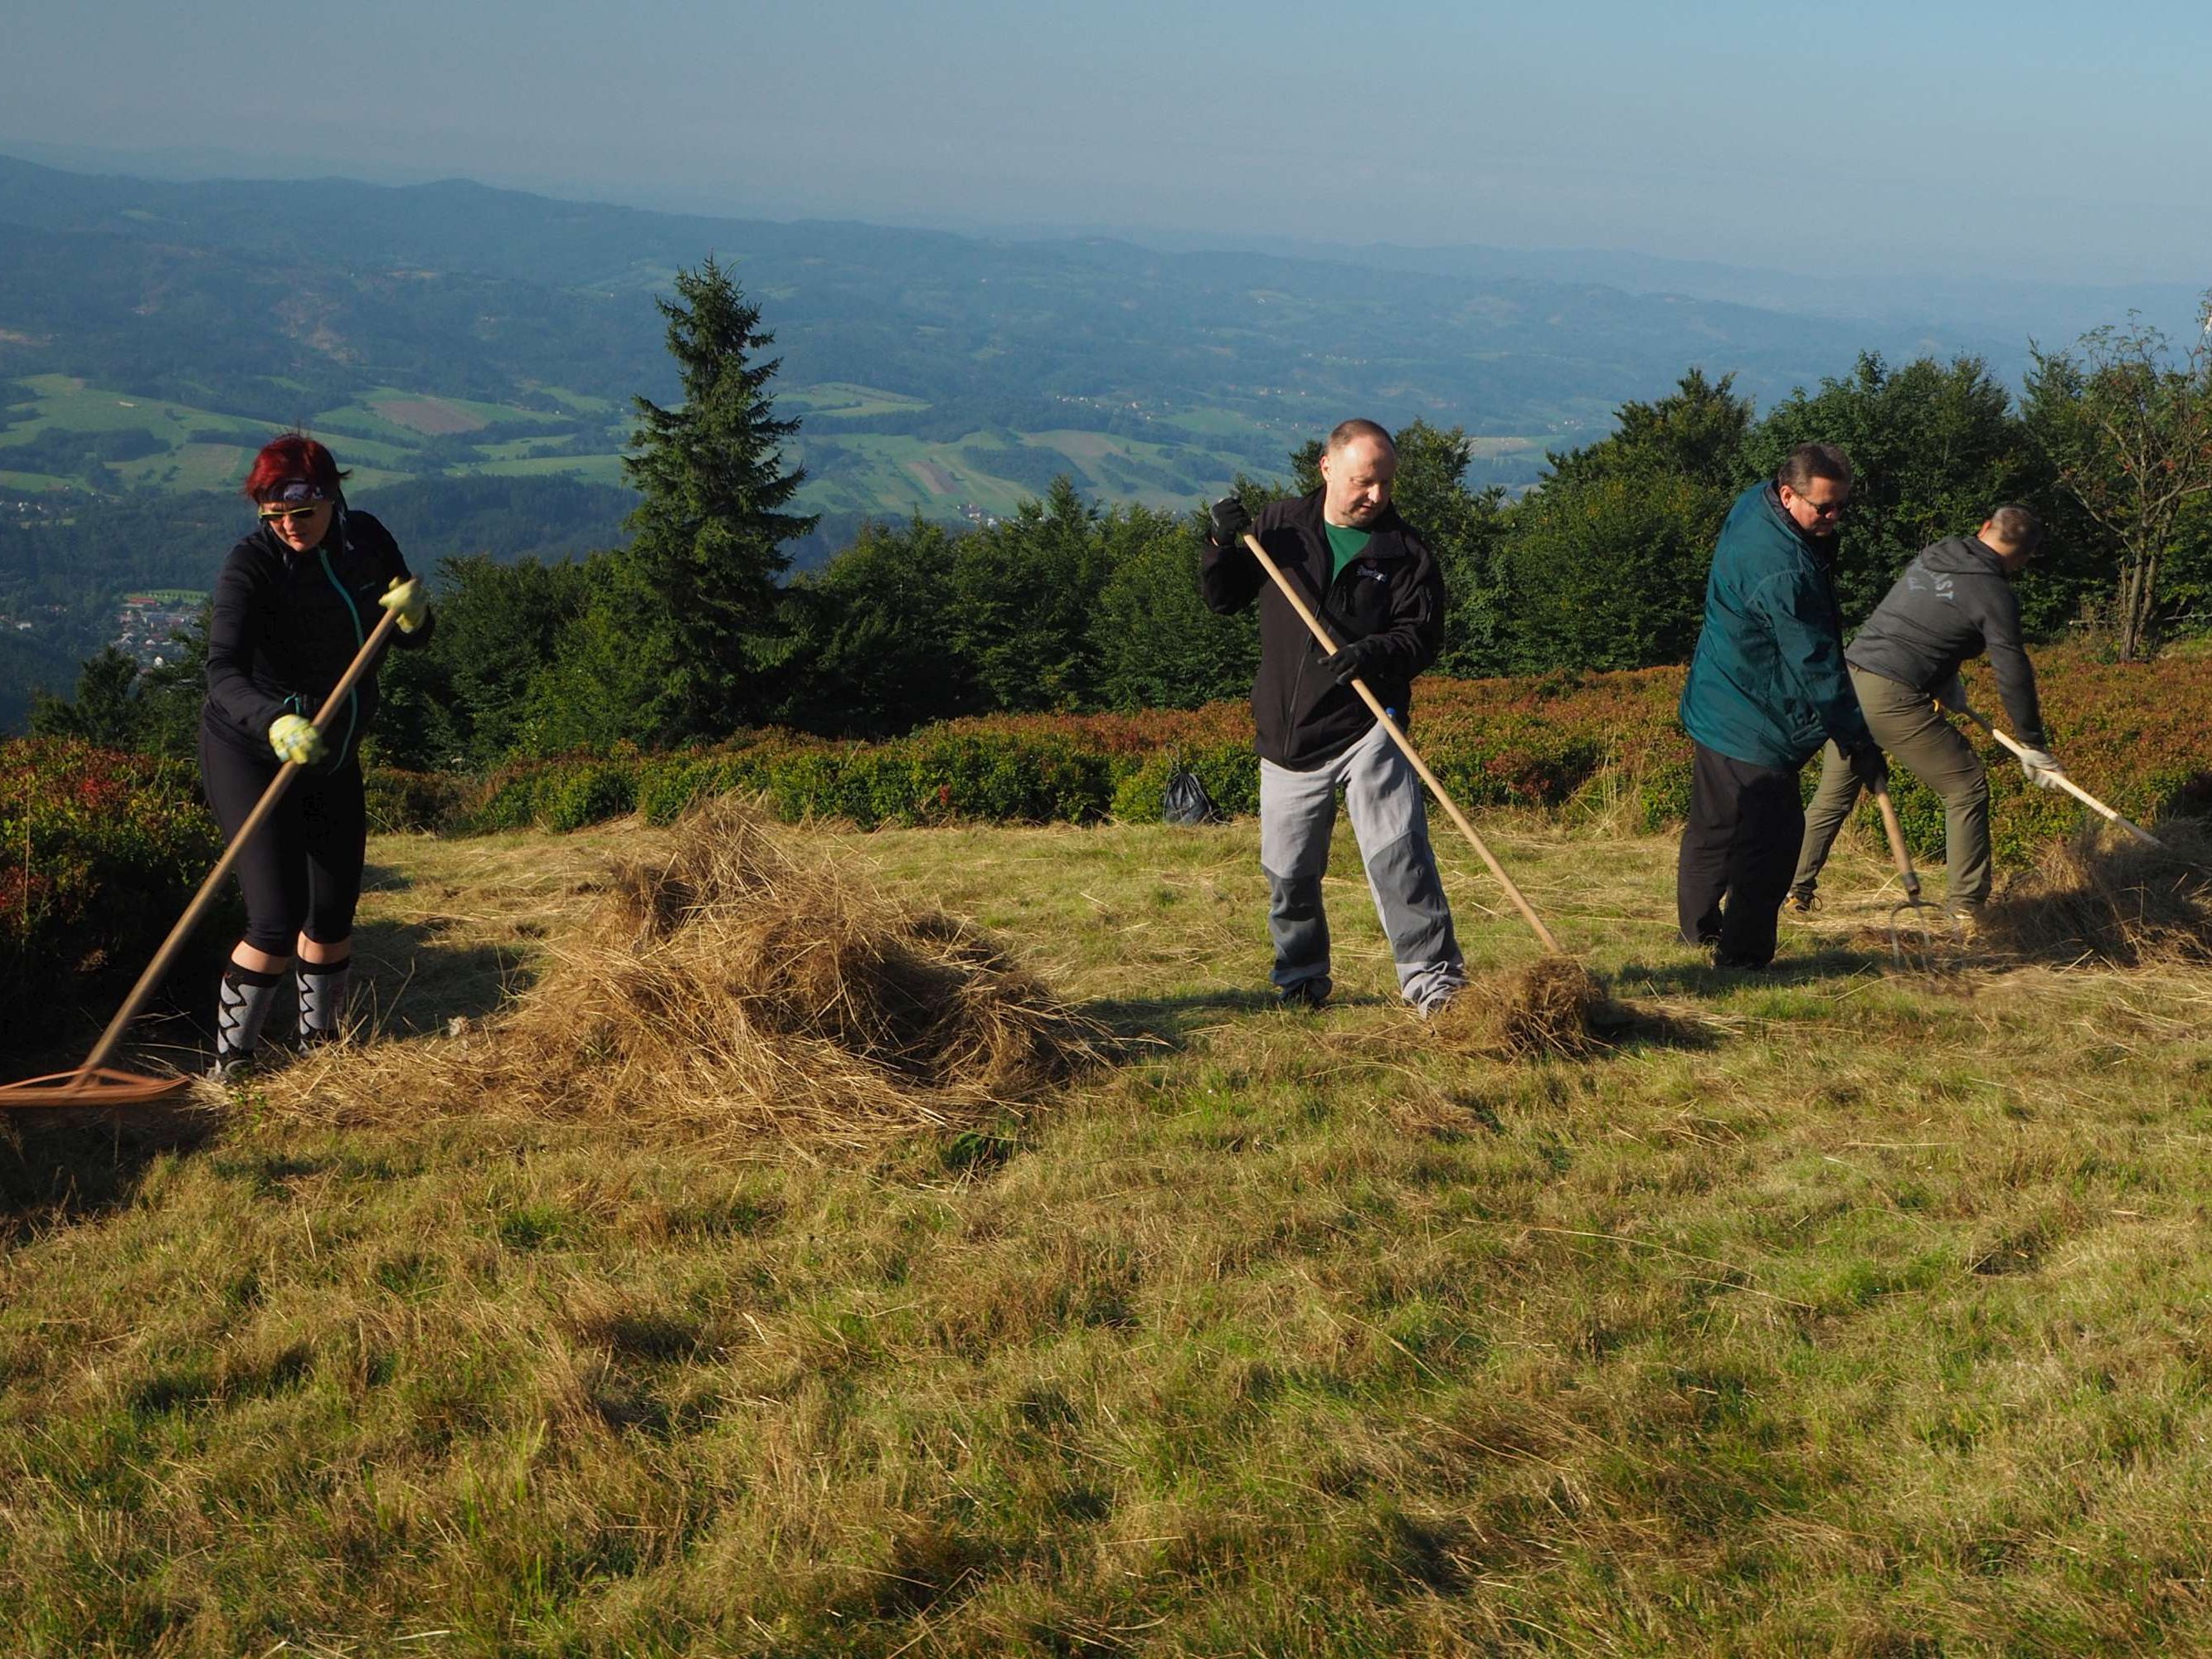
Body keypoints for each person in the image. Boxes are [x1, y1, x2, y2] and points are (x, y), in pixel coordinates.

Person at [1200, 419, 1466, 1014]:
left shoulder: (1405, 553)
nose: (1375, 496)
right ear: (1326, 469)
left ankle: (1434, 987)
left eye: (1385, 483)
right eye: (1362, 482)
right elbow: (1223, 599)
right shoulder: (1279, 527)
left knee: (1400, 862)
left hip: (1370, 726)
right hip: (1288, 735)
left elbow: (1421, 638)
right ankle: (1300, 980)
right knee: (1289, 877)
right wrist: (1218, 545)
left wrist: (1369, 654)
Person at [201, 434, 433, 1077]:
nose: (289, 528)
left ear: (333, 497)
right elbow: (221, 670)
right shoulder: (250, 566)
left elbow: (411, 634)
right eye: (274, 516)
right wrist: (274, 721)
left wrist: (415, 616)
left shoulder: (368, 542)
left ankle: (320, 1050)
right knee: (274, 919)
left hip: (333, 751)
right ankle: (232, 1069)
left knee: (331, 913)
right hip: (250, 749)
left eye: (302, 513)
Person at [1787, 505, 2065, 931]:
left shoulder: (1942, 551)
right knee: (1965, 785)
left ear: (1985, 527)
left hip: (1848, 681)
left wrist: (1942, 678)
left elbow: (1921, 616)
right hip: (1891, 693)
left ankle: (1793, 891)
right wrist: (2033, 744)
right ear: (2025, 557)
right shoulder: (1994, 592)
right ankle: (1966, 911)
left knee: (1834, 795)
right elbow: (2013, 671)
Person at [1676, 442, 1885, 969]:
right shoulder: (1784, 572)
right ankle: (1742, 959)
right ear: (1789, 494)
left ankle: (1698, 935)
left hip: (1716, 696)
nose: (1834, 519)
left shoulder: (1755, 502)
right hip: (1755, 721)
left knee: (1715, 826)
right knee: (1769, 848)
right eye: (1824, 508)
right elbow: (1814, 662)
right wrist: (1856, 738)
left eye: (1842, 507)